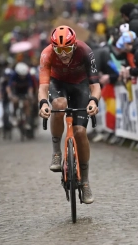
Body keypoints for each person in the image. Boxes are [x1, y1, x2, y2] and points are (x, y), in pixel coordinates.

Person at [38, 25, 101, 204]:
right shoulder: (46, 54)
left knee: (80, 132)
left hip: (80, 85)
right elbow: (43, 87)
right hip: (57, 84)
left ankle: (86, 181)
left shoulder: (85, 51)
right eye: (59, 49)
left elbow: (95, 86)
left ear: (74, 45)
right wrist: (43, 104)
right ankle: (57, 152)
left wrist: (93, 101)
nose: (63, 53)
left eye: (67, 48)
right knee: (59, 104)